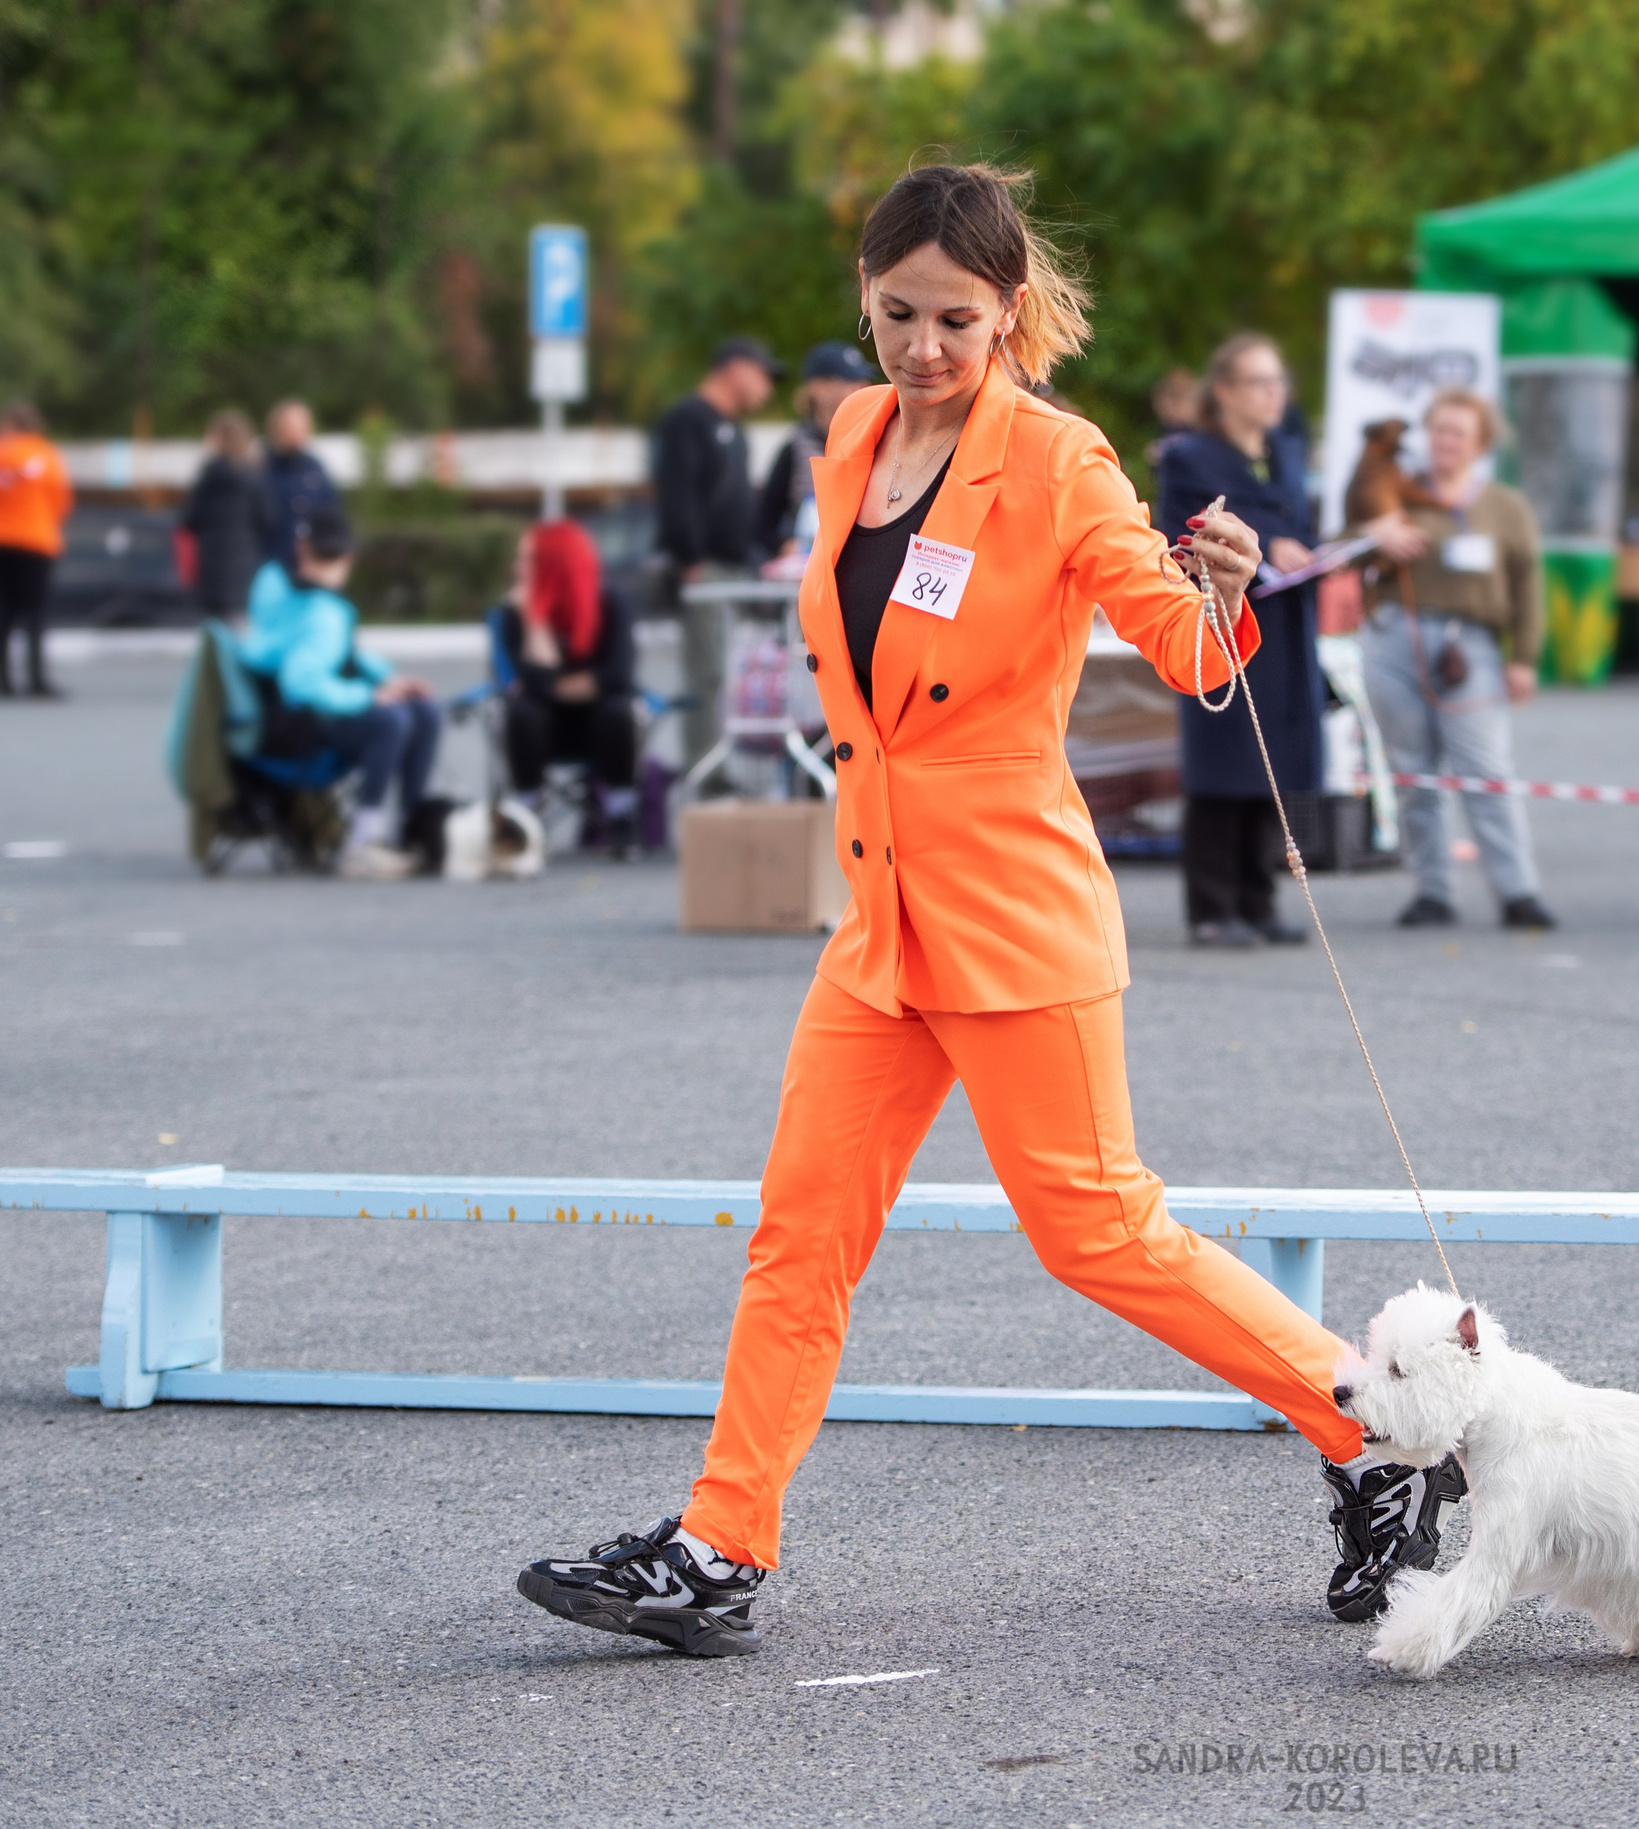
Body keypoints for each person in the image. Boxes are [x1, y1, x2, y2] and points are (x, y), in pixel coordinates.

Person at [515, 163, 1465, 1658]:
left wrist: (1222, 588)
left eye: (957, 319)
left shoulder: (1065, 460)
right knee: (800, 1236)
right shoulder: (846, 435)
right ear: (865, 301)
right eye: (896, 315)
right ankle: (720, 1547)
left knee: (1101, 1234)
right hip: (884, 912)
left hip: (1018, 912)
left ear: (1009, 313)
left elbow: (1179, 640)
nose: (924, 349)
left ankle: (1375, 1443)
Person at [1360, 388, 1558, 930]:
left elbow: (1528, 584)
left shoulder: (1504, 507)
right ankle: (1432, 891)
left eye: (1459, 433)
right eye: (1439, 429)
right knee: (1411, 770)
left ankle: (1518, 890)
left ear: (1481, 444)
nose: (1446, 441)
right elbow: (1341, 548)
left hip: (1470, 645)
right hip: (1394, 637)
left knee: (1486, 769)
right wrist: (1375, 536)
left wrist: (1525, 658)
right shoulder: (1395, 493)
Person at [1154, 332, 1322, 946]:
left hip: (1285, 627)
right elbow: (1177, 535)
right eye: (1259, 381)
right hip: (1224, 622)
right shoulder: (1191, 457)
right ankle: (1211, 907)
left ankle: (1258, 898)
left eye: (1279, 381)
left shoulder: (1286, 452)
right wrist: (1261, 544)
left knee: (1272, 761)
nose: (1274, 394)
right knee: (1224, 760)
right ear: (1223, 391)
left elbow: (1297, 522)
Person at [239, 508, 441, 880]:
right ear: (302, 549)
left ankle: (411, 829)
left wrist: (386, 680)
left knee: (423, 707)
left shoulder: (292, 589)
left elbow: (336, 655)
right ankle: (363, 842)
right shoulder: (319, 608)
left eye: (336, 557)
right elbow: (301, 679)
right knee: (390, 720)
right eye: (325, 556)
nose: (330, 567)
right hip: (292, 728)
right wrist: (367, 696)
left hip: (296, 712)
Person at [654, 335, 783, 778]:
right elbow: (678, 495)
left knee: (735, 674)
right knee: (707, 676)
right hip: (705, 568)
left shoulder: (738, 433)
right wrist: (689, 559)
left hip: (736, 569)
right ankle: (705, 774)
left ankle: (726, 768)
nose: (766, 388)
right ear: (736, 366)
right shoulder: (688, 421)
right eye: (762, 374)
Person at [498, 520, 642, 856]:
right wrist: (535, 622)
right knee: (522, 712)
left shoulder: (611, 604)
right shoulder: (514, 614)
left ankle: (620, 813)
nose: (516, 568)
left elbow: (618, 674)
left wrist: (553, 686)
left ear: (553, 565)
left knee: (618, 710)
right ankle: (527, 813)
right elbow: (526, 683)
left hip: (600, 727)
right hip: (545, 731)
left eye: (527, 560)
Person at [756, 341, 879, 562]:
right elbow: (764, 523)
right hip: (810, 568)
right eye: (849, 380)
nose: (862, 386)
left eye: (862, 379)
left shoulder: (875, 441)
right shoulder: (794, 448)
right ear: (819, 388)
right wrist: (784, 546)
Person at [0, 399, 72, 699]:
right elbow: (62, 501)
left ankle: (3, 680)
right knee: (36, 614)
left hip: (3, 542)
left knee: (3, 613)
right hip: (38, 543)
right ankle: (37, 678)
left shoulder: (2, 453)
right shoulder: (47, 455)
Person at [180, 410, 269, 620]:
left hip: (211, 565)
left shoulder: (209, 476)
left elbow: (190, 519)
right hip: (246, 564)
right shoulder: (254, 476)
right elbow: (267, 518)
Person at [259, 400, 341, 570]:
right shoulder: (261, 469)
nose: (297, 434)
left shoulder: (315, 468)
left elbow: (332, 512)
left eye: (302, 428)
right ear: (277, 430)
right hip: (272, 564)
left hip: (311, 567)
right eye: (291, 428)